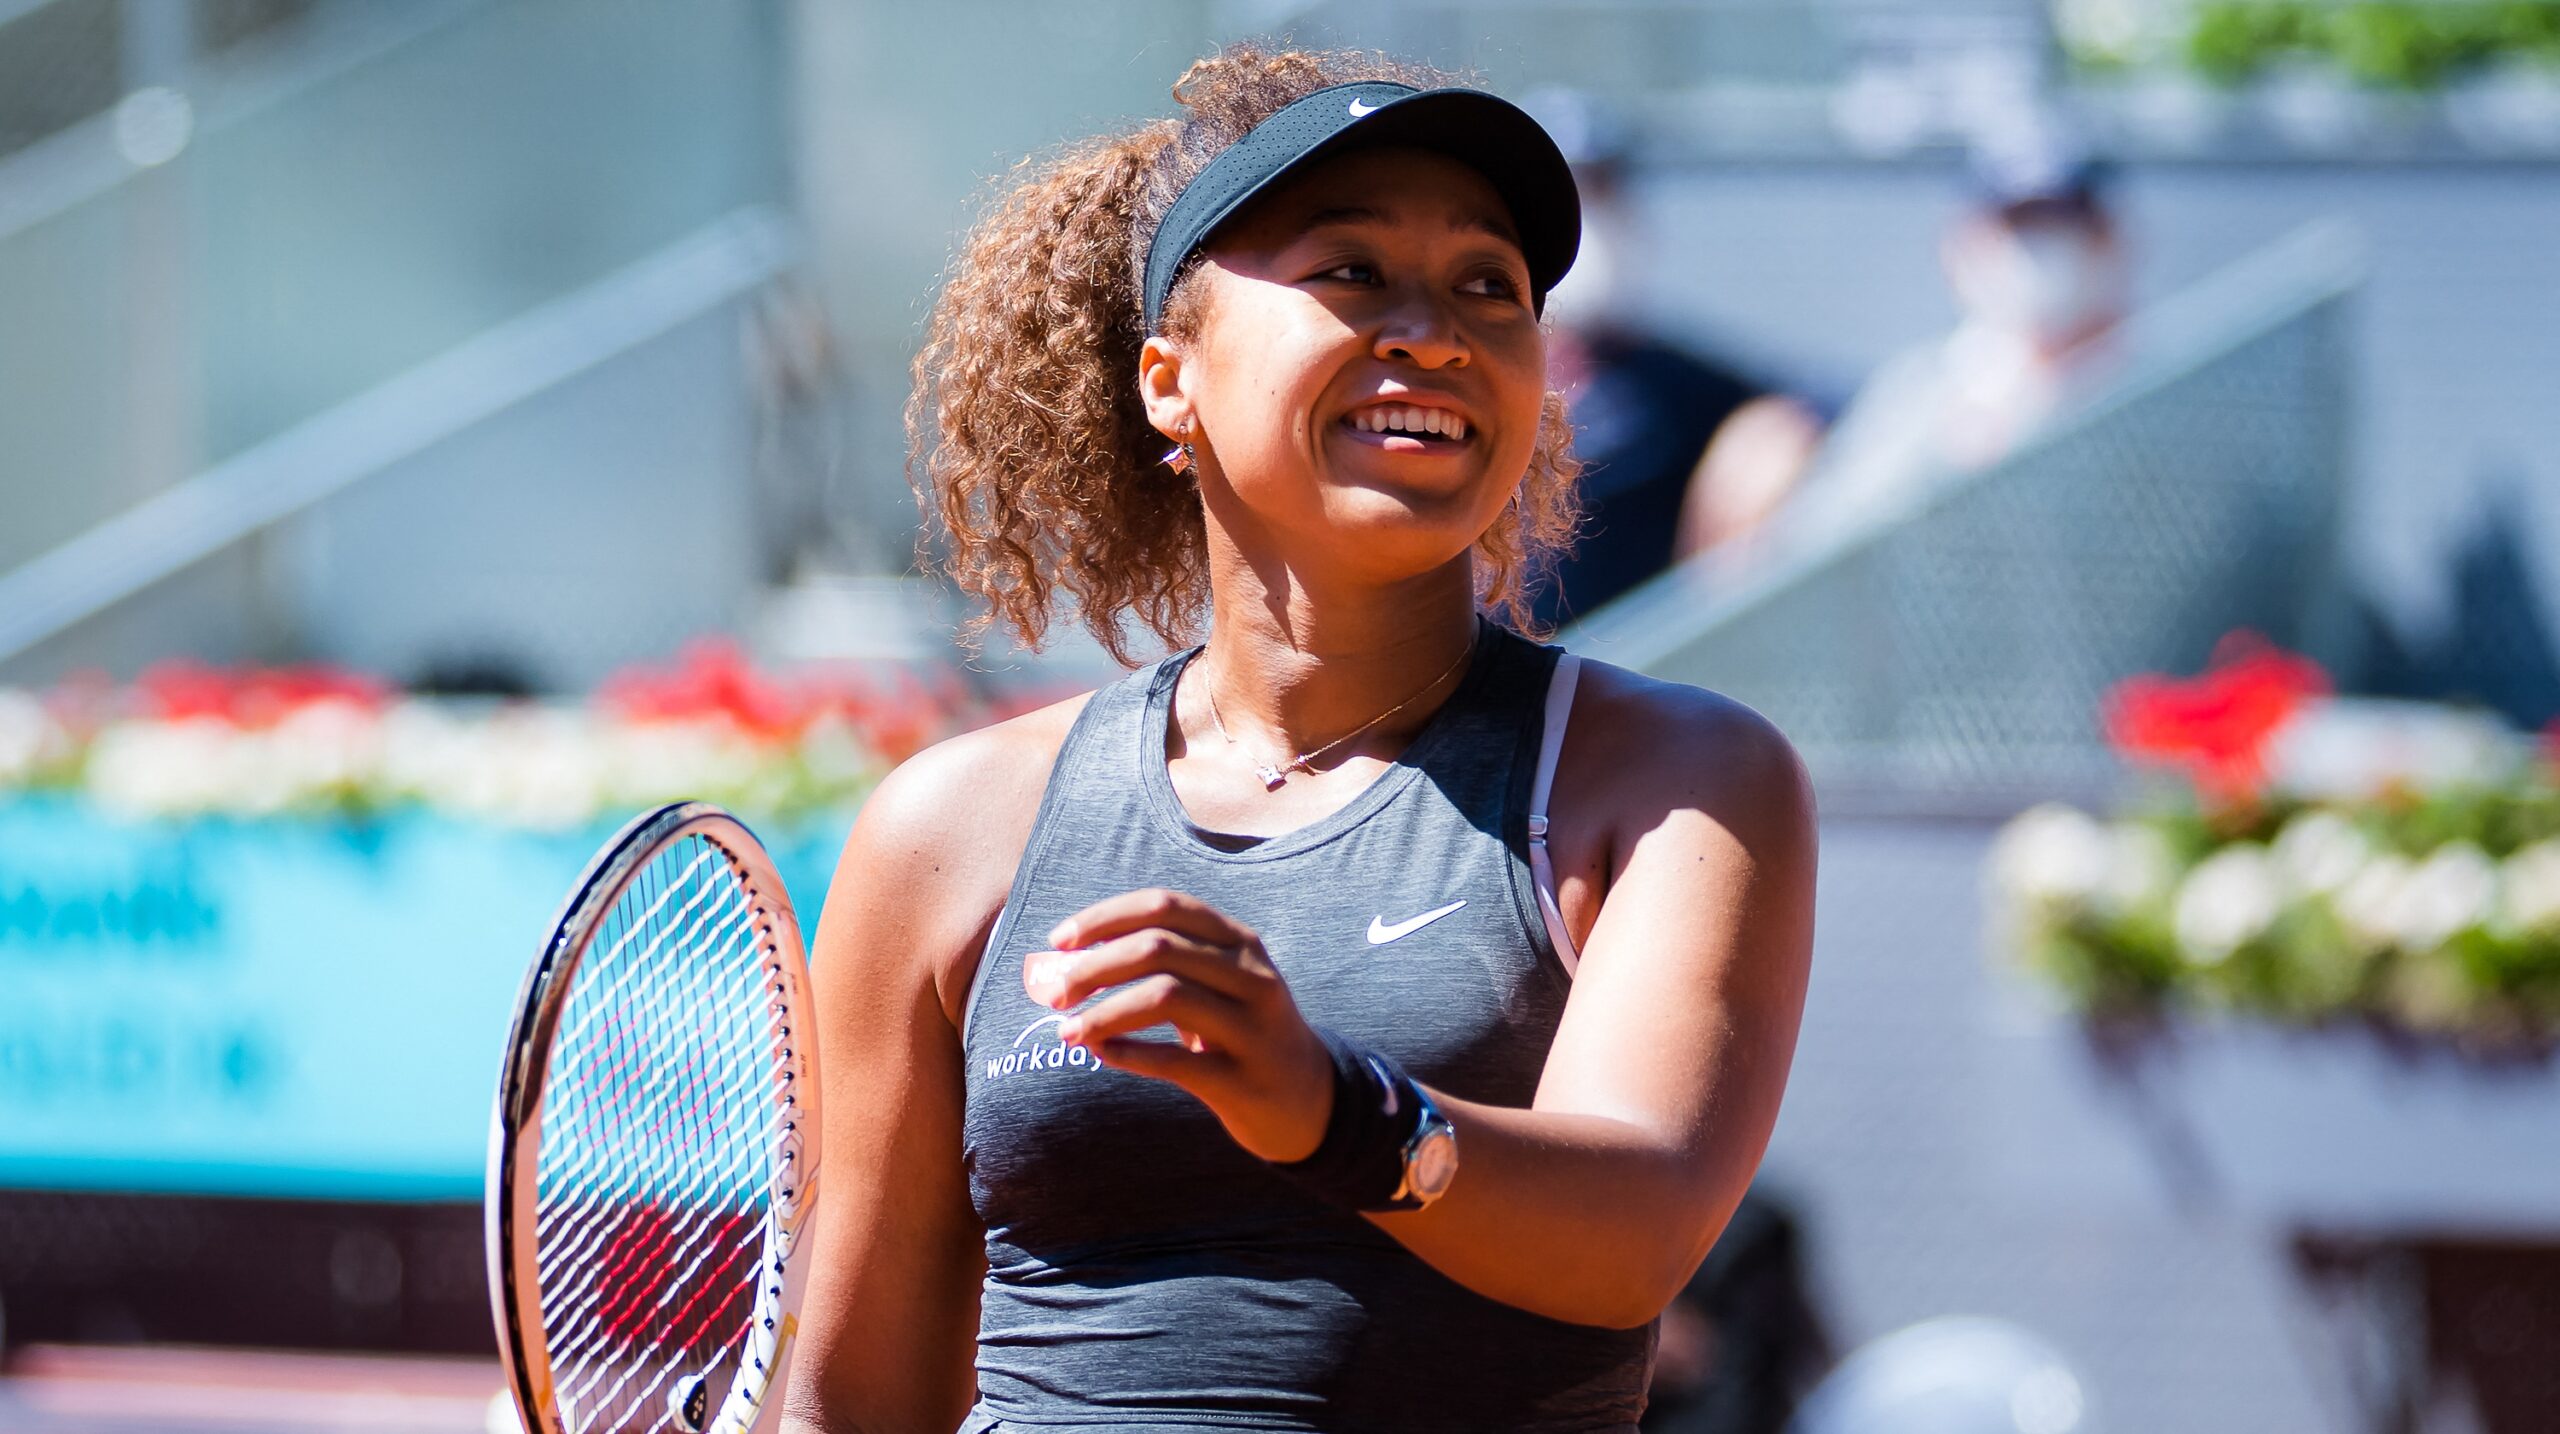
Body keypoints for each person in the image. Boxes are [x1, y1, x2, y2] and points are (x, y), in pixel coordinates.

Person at [784, 44, 1817, 1434]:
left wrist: (1334, 1108)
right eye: (1350, 272)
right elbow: (856, 1400)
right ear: (1171, 378)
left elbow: (1636, 1230)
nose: (1435, 331)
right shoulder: (947, 827)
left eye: (1488, 288)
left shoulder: (1682, 780)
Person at [1527, 92, 1827, 625]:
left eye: (1603, 195)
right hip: (1468, 677)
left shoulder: (1676, 387)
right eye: (1568, 199)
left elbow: (1817, 409)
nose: (1587, 223)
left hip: (1620, 682)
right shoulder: (1465, 366)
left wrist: (1772, 434)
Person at [1776, 112, 2127, 543]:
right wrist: (1937, 464)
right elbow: (1817, 537)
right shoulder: (1925, 387)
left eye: (2062, 222)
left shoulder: (2160, 381)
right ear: (1967, 242)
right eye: (2021, 226)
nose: (2039, 247)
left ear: (2108, 237)